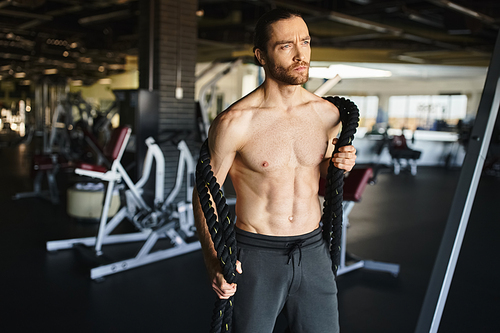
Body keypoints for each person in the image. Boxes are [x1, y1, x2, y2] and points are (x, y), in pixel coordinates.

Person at [193, 8, 357, 333]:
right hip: (255, 255)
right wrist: (212, 259)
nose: (300, 54)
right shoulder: (235, 123)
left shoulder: (326, 114)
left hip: (313, 251)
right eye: (286, 46)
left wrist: (340, 165)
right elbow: (205, 192)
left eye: (306, 42)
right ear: (261, 56)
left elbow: (320, 172)